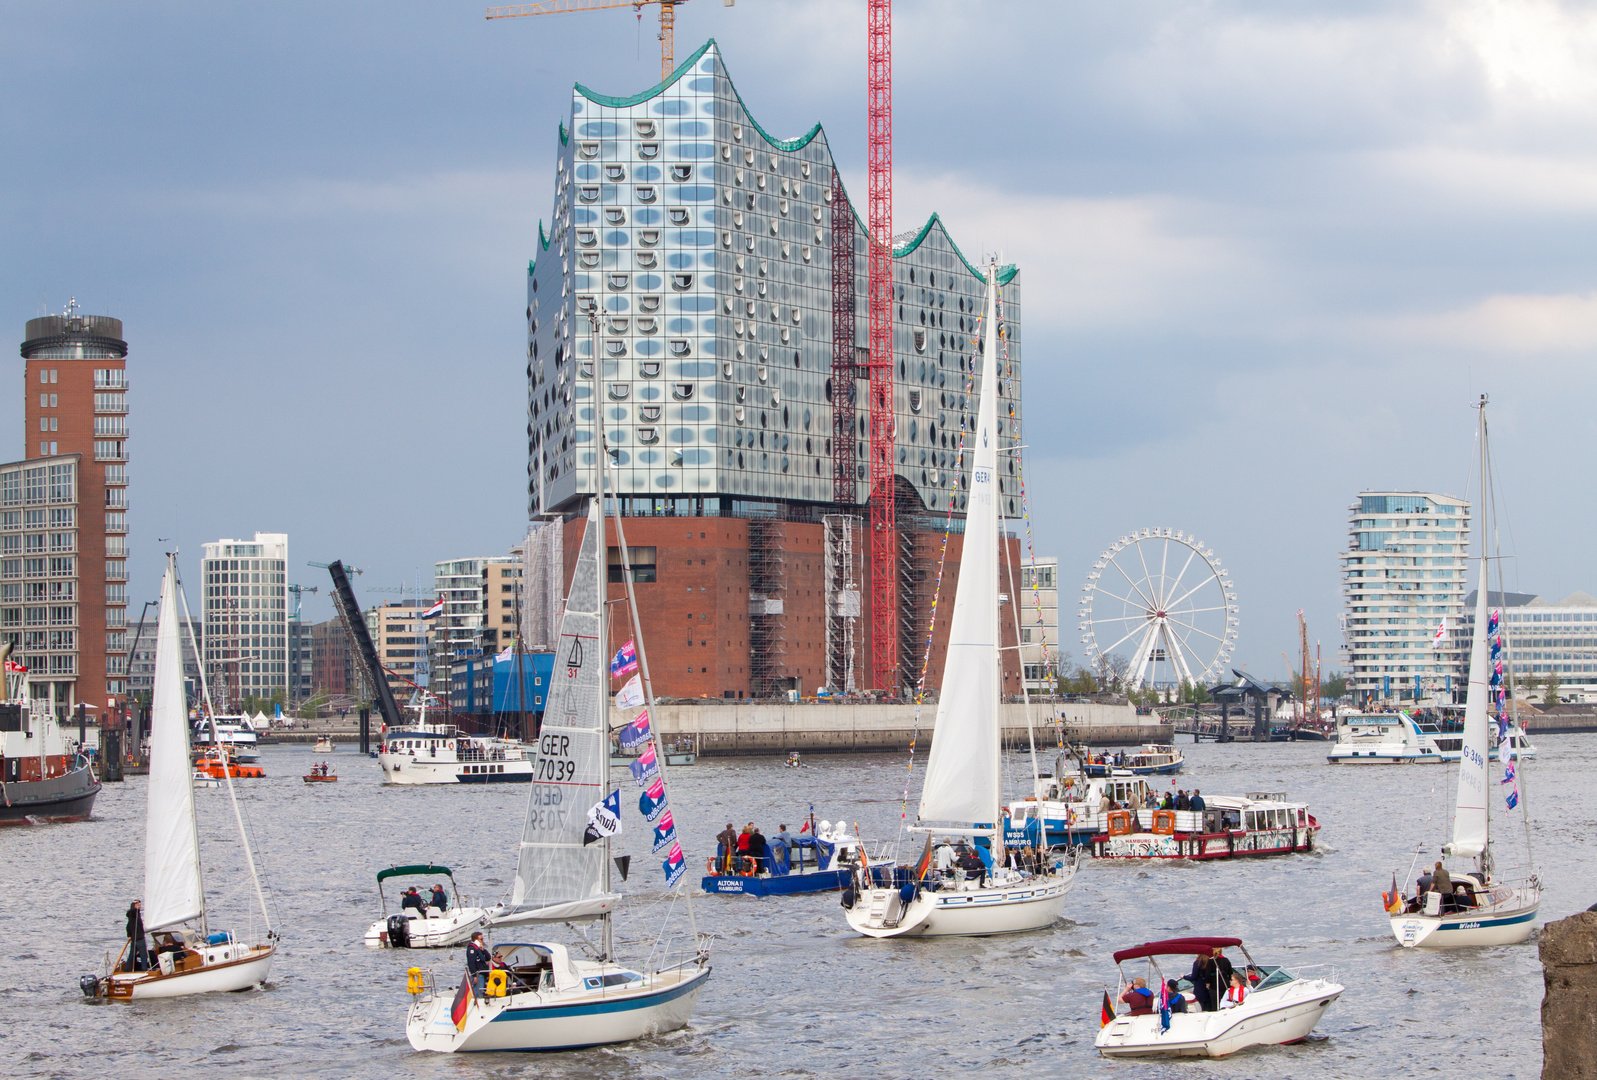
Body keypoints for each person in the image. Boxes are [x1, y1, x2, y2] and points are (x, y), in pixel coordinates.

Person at [125, 900, 149, 972]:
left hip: (135, 938)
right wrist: (133, 904)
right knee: (143, 955)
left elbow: (128, 926)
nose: (140, 906)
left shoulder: (135, 915)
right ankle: (144, 970)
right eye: (138, 905)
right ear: (134, 906)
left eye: (140, 905)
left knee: (132, 955)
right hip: (139, 938)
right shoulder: (133, 914)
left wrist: (129, 935)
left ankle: (127, 969)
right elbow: (128, 926)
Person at [465, 932, 492, 997]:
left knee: (480, 991)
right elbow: (471, 963)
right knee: (478, 992)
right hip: (478, 974)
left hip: (482, 973)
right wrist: (474, 975)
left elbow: (488, 957)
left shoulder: (478, 949)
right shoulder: (472, 949)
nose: (483, 941)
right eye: (481, 939)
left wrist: (483, 950)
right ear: (476, 940)